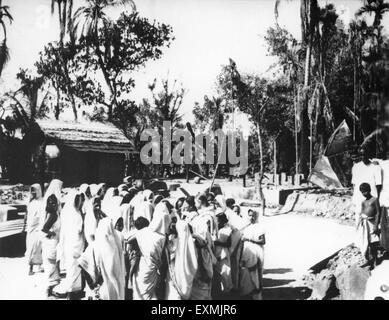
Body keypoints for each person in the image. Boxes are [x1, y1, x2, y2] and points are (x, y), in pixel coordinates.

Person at [130, 202, 170, 300]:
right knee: (150, 293)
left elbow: (127, 239)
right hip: (156, 267)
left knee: (143, 292)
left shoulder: (144, 232)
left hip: (145, 266)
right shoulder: (163, 237)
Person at [54, 191, 86, 299]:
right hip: (74, 245)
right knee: (73, 270)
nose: (79, 202)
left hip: (73, 244)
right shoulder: (74, 213)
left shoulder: (71, 211)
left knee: (74, 270)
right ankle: (70, 293)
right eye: (77, 200)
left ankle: (73, 291)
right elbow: (77, 229)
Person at [41, 179, 63, 297]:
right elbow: (44, 228)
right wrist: (52, 234)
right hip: (52, 242)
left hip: (53, 242)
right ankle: (48, 291)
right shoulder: (53, 213)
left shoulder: (54, 210)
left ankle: (51, 290)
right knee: (51, 266)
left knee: (53, 266)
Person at [238, 209, 266, 300]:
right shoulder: (246, 226)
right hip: (247, 252)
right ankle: (247, 293)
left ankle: (257, 295)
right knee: (246, 273)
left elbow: (263, 241)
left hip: (257, 252)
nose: (251, 217)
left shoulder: (259, 227)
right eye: (250, 215)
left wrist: (249, 239)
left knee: (256, 273)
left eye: (253, 215)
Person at [352, 147, 382, 224]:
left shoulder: (376, 167)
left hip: (371, 202)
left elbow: (379, 186)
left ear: (368, 154)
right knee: (359, 226)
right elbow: (354, 185)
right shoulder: (356, 167)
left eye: (365, 154)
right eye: (361, 155)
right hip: (359, 200)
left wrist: (376, 201)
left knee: (372, 228)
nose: (363, 156)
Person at [356, 183, 381, 269]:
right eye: (362, 192)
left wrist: (376, 225)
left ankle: (375, 259)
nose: (364, 193)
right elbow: (362, 212)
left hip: (372, 222)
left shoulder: (374, 200)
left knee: (373, 242)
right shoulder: (363, 202)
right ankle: (368, 260)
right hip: (365, 223)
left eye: (365, 191)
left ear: (369, 190)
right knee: (365, 242)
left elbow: (378, 213)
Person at [25, 184, 44, 275]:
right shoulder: (31, 202)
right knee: (30, 248)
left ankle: (38, 265)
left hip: (38, 228)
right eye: (32, 191)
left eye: (35, 191)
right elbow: (27, 216)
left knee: (37, 247)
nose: (33, 193)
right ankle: (30, 267)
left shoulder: (42, 202)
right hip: (30, 229)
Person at [213, 211, 233, 298]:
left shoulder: (227, 230)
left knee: (225, 274)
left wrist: (218, 243)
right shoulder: (214, 230)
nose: (216, 222)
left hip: (223, 254)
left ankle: (226, 293)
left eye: (218, 221)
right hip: (215, 255)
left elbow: (229, 244)